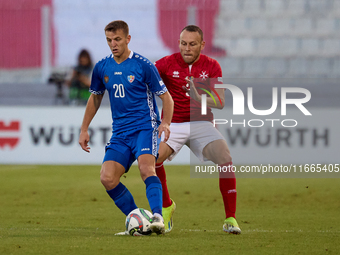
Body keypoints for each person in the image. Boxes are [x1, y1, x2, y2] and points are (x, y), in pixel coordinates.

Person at [78, 20, 174, 235]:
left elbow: (167, 98)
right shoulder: (102, 67)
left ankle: (157, 217)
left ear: (128, 39)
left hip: (144, 128)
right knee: (107, 177)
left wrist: (165, 122)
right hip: (120, 132)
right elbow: (95, 98)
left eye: (118, 39)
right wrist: (84, 128)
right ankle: (139, 221)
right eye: (109, 40)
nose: (113, 44)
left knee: (146, 168)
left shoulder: (142, 65)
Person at [154, 25, 241, 234]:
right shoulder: (165, 64)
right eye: (183, 43)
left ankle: (230, 218)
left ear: (202, 45)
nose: (187, 48)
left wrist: (197, 93)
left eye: (192, 44)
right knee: (151, 159)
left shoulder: (211, 66)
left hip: (201, 123)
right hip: (173, 124)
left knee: (225, 157)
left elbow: (219, 102)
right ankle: (167, 206)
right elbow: (146, 80)